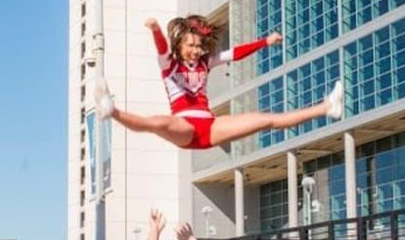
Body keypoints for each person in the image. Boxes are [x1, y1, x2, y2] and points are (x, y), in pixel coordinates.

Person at [96, 14, 343, 151]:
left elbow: (235, 53)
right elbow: (161, 46)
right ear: (180, 46)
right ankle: (112, 110)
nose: (196, 50)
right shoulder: (169, 65)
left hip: (211, 127)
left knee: (266, 119)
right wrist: (155, 29)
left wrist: (265, 42)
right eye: (190, 46)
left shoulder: (206, 62)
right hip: (185, 127)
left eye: (199, 45)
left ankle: (327, 108)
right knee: (157, 123)